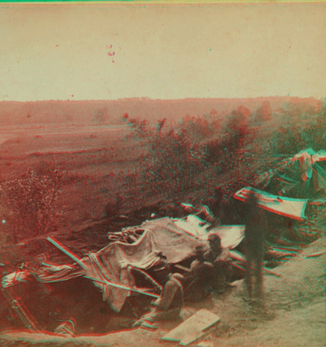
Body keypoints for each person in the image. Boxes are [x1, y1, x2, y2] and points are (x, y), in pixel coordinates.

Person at [244, 192, 267, 301]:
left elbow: (249, 227)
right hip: (258, 240)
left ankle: (249, 279)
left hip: (253, 240)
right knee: (257, 261)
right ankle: (257, 279)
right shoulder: (259, 211)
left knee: (250, 261)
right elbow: (263, 227)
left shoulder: (250, 212)